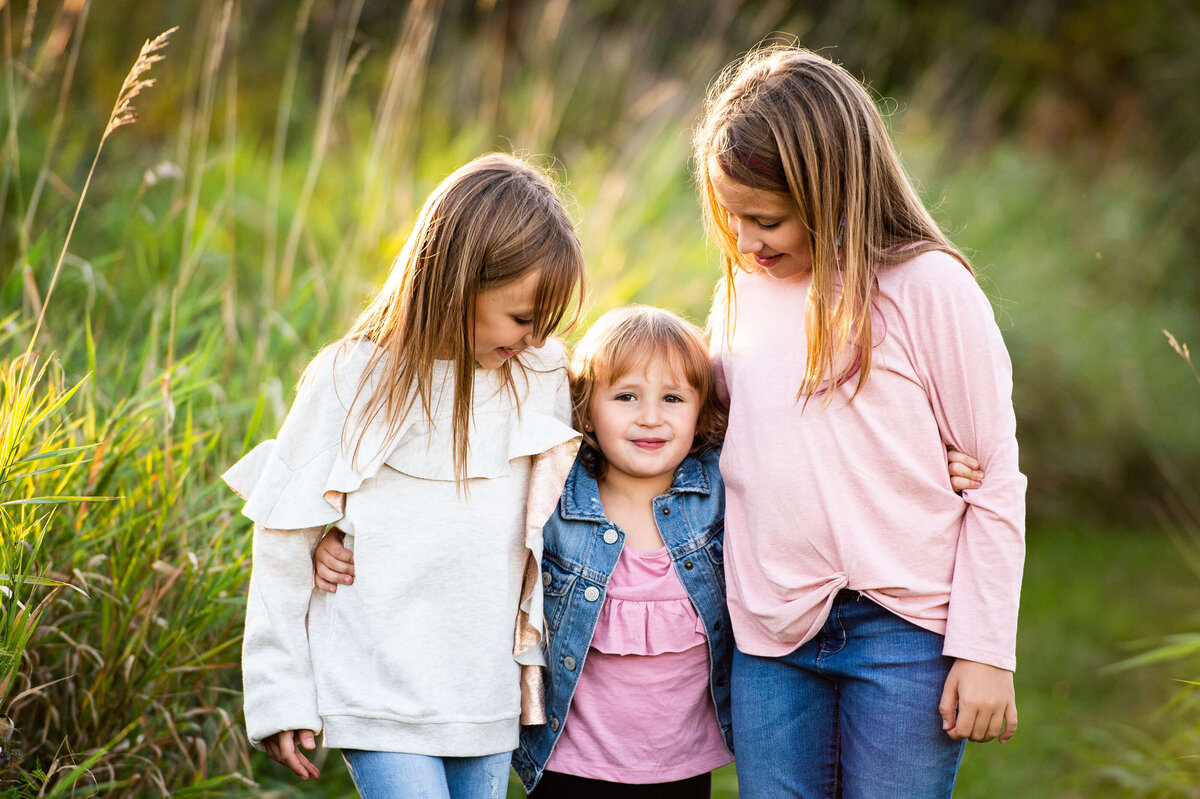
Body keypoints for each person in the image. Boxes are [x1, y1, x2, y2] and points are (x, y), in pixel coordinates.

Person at [314, 306, 987, 797]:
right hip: (571, 765)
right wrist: (345, 533)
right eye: (626, 396)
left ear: (703, 410)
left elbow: (809, 466)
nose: (650, 415)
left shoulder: (721, 489)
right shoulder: (554, 491)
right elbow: (462, 511)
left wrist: (934, 463)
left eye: (672, 397)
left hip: (682, 768)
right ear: (588, 404)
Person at [693, 44, 1026, 797]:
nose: (746, 243)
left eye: (767, 220)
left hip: (903, 632)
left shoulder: (927, 286)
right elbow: (716, 438)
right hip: (773, 633)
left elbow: (996, 477)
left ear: (831, 189)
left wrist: (985, 649)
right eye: (732, 219)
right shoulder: (743, 298)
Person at [221, 152, 587, 799]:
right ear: (456, 281)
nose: (533, 339)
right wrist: (280, 691)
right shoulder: (351, 378)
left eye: (545, 324)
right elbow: (283, 534)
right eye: (521, 318)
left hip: (484, 692)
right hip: (379, 685)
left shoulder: (539, 374)